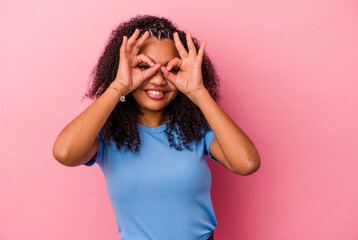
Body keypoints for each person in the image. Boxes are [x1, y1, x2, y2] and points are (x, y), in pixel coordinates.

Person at [53, 15, 261, 240]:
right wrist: (119, 85)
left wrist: (198, 91)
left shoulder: (197, 130)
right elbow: (65, 153)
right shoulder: (107, 135)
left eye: (171, 70)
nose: (159, 80)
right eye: (144, 66)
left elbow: (247, 163)